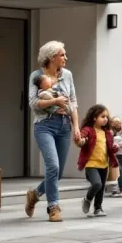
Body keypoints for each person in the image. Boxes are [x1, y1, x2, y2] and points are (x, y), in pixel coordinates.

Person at [25, 41, 80, 223]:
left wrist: (76, 127)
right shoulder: (37, 76)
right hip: (44, 126)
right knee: (53, 166)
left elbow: (73, 102)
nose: (66, 58)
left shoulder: (68, 75)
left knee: (58, 172)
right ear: (51, 58)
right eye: (62, 55)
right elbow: (33, 103)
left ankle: (35, 194)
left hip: (64, 126)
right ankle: (53, 207)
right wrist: (54, 102)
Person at [77, 105, 119, 217]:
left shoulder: (107, 132)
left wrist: (116, 147)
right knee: (97, 184)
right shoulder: (88, 130)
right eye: (102, 116)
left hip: (104, 164)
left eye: (106, 116)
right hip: (91, 164)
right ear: (94, 117)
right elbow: (82, 137)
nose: (105, 119)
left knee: (101, 188)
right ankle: (87, 199)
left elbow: (110, 147)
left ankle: (98, 208)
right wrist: (81, 139)